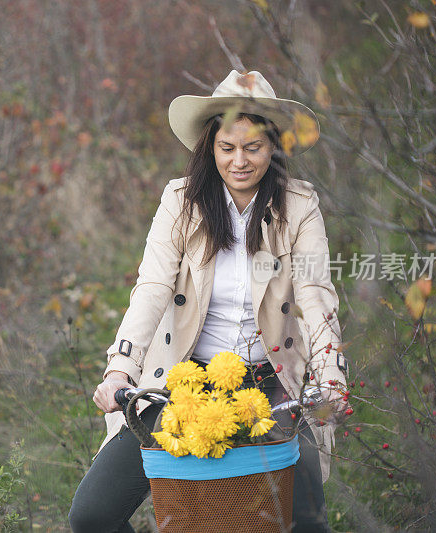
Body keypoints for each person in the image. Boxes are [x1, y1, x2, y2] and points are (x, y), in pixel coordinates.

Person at [68, 70, 350, 532]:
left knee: (307, 522)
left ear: (273, 148)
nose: (240, 161)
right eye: (227, 148)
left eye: (253, 147)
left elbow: (316, 296)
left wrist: (331, 376)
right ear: (210, 146)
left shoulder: (299, 205)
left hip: (273, 382)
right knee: (93, 516)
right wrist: (120, 368)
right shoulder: (181, 201)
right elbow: (152, 287)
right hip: (182, 379)